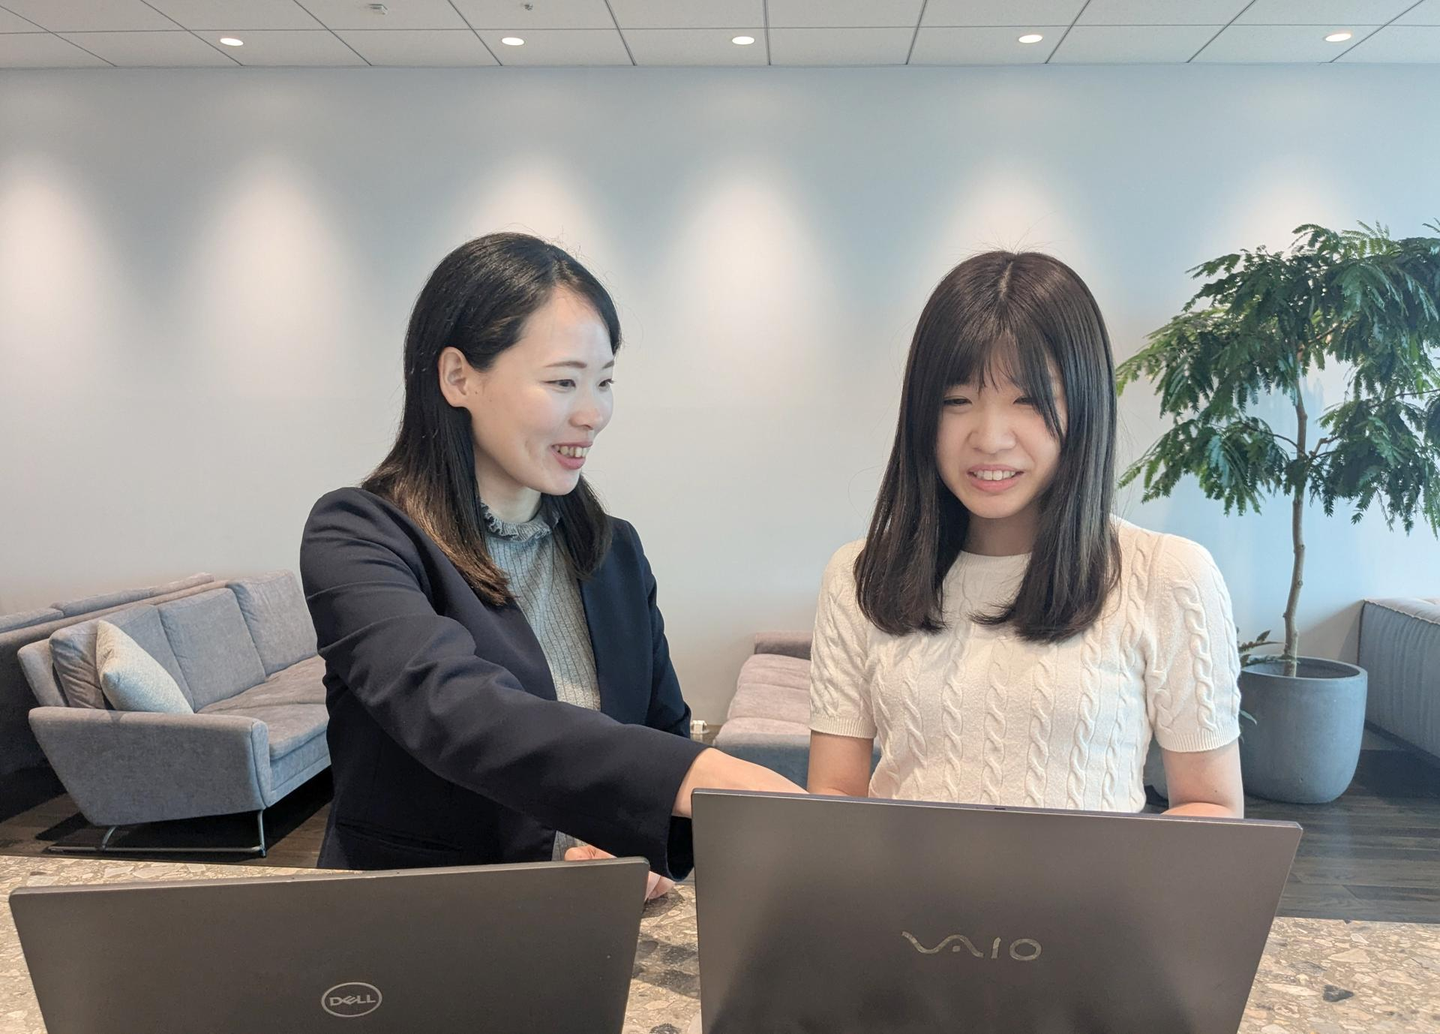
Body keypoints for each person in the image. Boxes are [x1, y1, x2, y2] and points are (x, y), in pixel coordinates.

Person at [301, 233, 799, 891]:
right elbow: (453, 708)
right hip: (414, 916)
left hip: (589, 917)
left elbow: (660, 727)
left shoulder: (613, 551)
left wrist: (637, 848)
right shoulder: (359, 535)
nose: (593, 414)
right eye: (563, 381)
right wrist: (693, 774)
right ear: (458, 377)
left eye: (605, 382)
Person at [806, 250, 1244, 819]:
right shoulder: (859, 576)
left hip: (1094, 884)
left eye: (1029, 400)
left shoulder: (1169, 575)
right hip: (906, 883)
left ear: (1084, 405)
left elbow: (1211, 808)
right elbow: (836, 802)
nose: (990, 438)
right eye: (956, 401)